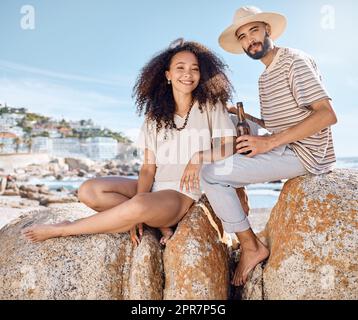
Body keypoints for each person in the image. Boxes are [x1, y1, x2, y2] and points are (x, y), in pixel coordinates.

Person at [22, 39, 241, 245]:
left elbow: (230, 145)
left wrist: (199, 157)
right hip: (155, 188)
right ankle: (147, 219)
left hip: (184, 194)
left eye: (195, 69)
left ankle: (65, 229)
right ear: (167, 75)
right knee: (89, 190)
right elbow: (147, 168)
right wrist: (140, 202)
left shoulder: (212, 106)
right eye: (180, 68)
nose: (188, 74)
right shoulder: (155, 117)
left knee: (138, 205)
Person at [200, 6, 338, 286]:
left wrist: (268, 144)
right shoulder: (265, 77)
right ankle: (234, 193)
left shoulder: (294, 62)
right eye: (242, 36)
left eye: (254, 30)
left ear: (268, 31)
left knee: (210, 174)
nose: (250, 39)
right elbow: (281, 121)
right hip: (287, 143)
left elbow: (326, 114)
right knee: (223, 120)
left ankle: (251, 246)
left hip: (305, 152)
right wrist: (248, 119)